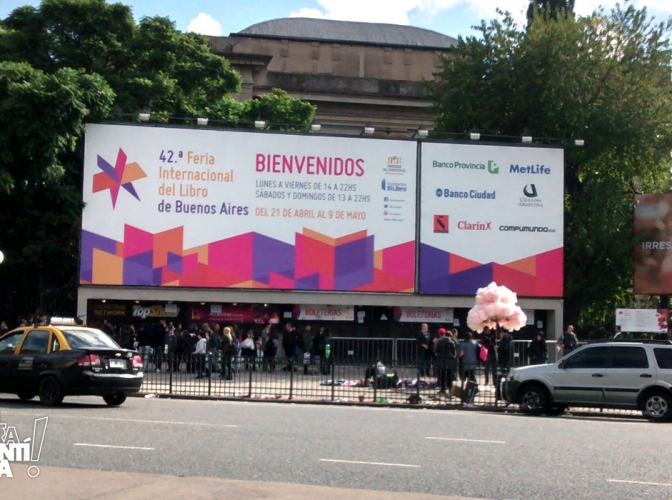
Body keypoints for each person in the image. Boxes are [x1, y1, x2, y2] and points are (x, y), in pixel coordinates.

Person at [434, 328, 458, 395]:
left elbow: (436, 351)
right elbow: (454, 353)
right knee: (449, 376)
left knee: (441, 376)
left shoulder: (440, 341)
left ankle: (442, 389)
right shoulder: (452, 342)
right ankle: (450, 389)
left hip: (441, 361)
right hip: (449, 361)